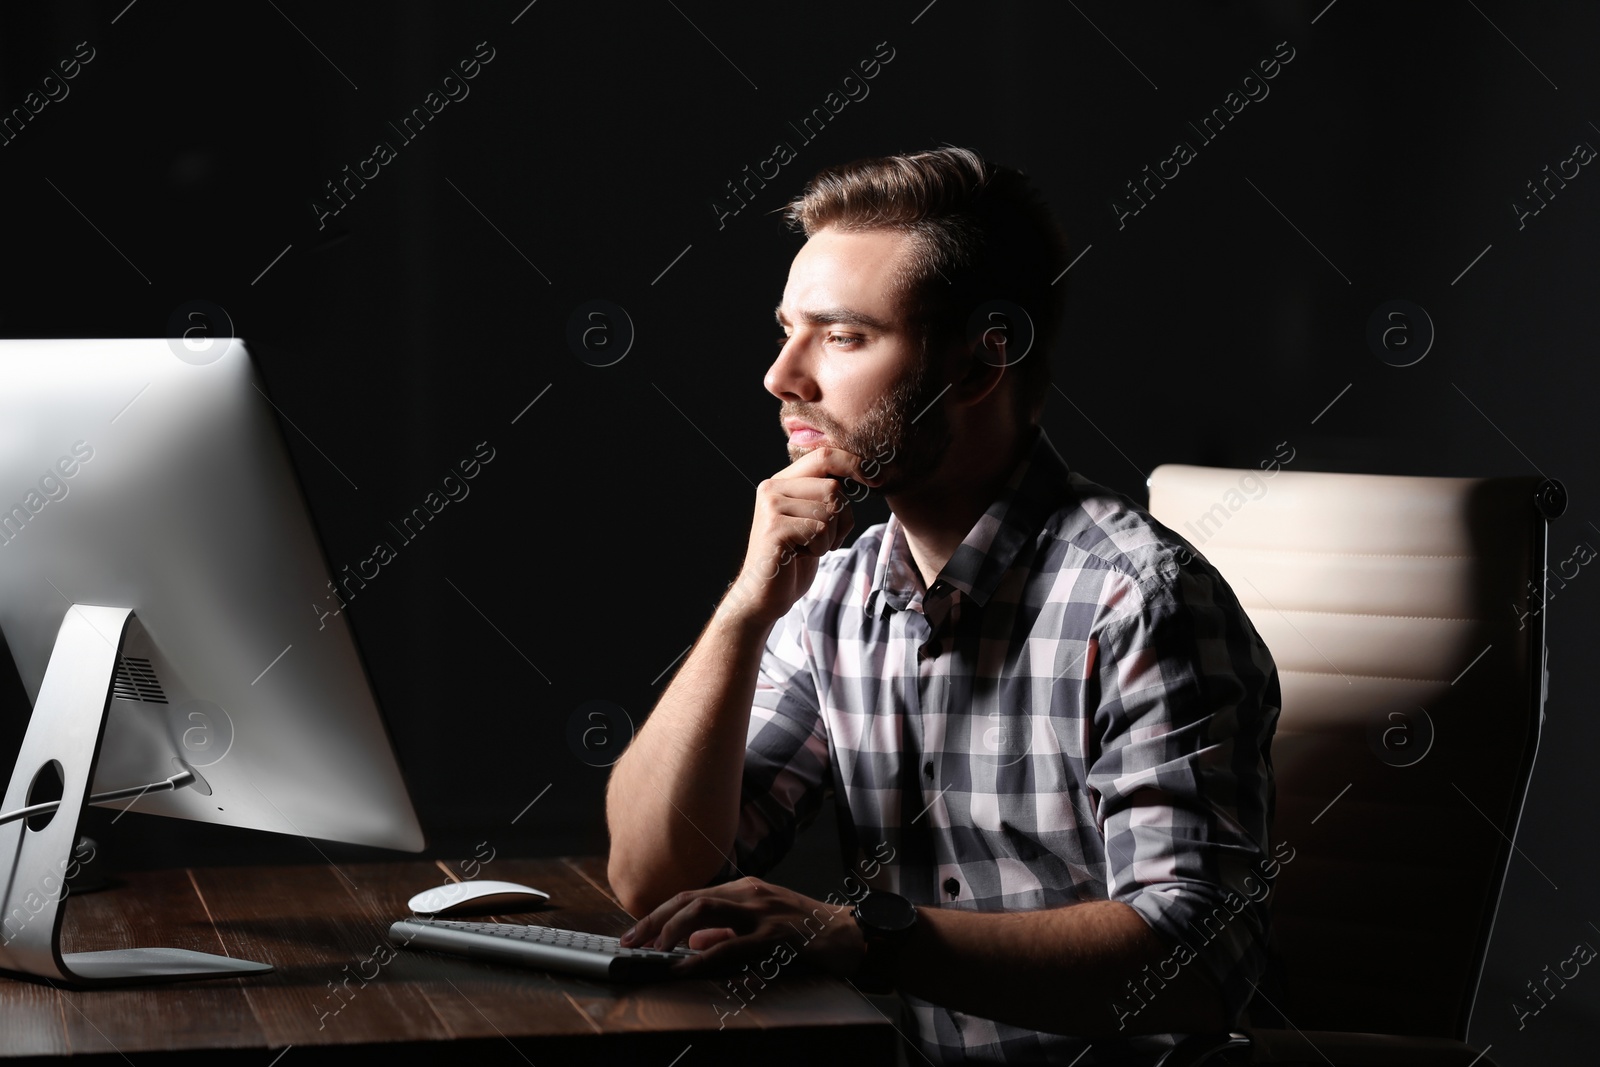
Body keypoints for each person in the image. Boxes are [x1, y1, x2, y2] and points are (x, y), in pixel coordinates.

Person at [605, 145, 1281, 1065]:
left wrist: (864, 934)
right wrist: (744, 613)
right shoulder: (835, 595)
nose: (782, 377)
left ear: (980, 360)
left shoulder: (1139, 601)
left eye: (841, 337)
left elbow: (1199, 963)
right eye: (785, 331)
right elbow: (654, 876)